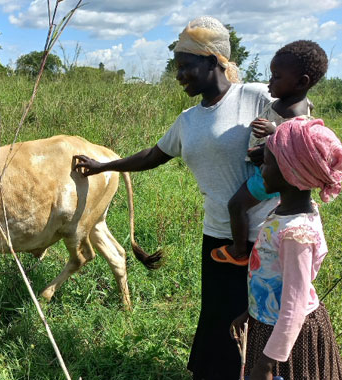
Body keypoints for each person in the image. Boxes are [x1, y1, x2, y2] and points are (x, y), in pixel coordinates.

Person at [73, 16, 279, 380]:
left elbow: (306, 132)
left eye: (186, 66)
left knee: (265, 314)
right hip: (218, 234)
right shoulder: (188, 121)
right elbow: (153, 155)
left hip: (267, 235)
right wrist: (104, 165)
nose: (179, 75)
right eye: (177, 67)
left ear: (214, 60)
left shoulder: (256, 97)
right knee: (219, 313)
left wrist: (276, 143)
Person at [230, 117, 342, 380]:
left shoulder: (296, 234)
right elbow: (275, 279)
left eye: (267, 163)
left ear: (291, 173)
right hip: (269, 326)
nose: (262, 170)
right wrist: (252, 310)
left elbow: (294, 306)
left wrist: (265, 365)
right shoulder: (286, 211)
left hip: (290, 340)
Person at [211, 40, 328, 266]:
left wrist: (273, 132)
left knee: (236, 205)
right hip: (267, 167)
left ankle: (238, 251)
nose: (270, 81)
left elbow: (297, 141)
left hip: (270, 174)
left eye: (276, 77)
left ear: (301, 82)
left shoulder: (296, 111)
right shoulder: (289, 102)